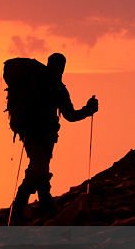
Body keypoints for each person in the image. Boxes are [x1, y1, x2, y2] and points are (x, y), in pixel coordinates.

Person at [11, 53, 99, 222]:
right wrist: (88, 110)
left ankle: (40, 207)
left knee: (39, 168)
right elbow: (71, 115)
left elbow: (69, 114)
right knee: (38, 168)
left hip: (34, 134)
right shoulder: (55, 87)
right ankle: (28, 209)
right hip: (40, 135)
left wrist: (88, 110)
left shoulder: (42, 83)